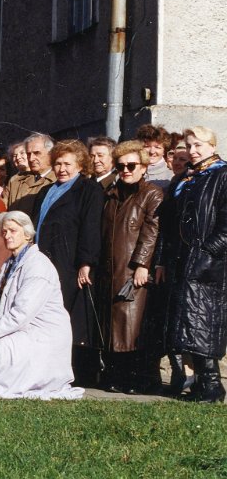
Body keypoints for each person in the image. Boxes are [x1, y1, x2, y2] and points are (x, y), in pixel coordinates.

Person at [0, 211, 84, 399]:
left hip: (41, 335)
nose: (7, 235)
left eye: (13, 231)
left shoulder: (38, 265)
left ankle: (16, 381)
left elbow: (20, 315)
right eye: (4, 231)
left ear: (27, 234)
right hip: (22, 330)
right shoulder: (10, 263)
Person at [162, 126, 227, 402]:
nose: (193, 151)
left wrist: (208, 252)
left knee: (205, 323)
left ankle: (213, 386)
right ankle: (201, 383)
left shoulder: (221, 175)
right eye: (189, 145)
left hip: (209, 264)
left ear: (212, 146)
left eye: (199, 145)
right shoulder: (188, 178)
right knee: (190, 323)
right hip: (185, 260)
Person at [33, 139, 104, 385]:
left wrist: (86, 262)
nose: (62, 168)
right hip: (44, 262)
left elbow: (91, 227)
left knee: (69, 319)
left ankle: (75, 374)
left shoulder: (88, 189)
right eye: (58, 163)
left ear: (80, 165)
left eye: (67, 163)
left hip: (70, 264)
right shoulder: (46, 191)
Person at [98, 140, 163, 395]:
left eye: (131, 165)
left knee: (132, 324)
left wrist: (142, 264)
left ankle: (137, 379)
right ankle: (115, 375)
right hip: (111, 268)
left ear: (144, 167)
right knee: (114, 324)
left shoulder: (151, 193)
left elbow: (151, 231)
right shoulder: (111, 194)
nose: (126, 170)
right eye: (121, 165)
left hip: (132, 269)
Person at [2, 133, 56, 215]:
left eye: (37, 153)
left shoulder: (58, 181)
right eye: (28, 154)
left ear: (50, 154)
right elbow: (0, 209)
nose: (31, 159)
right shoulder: (15, 181)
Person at [136, 124, 174, 191]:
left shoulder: (171, 177)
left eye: (157, 147)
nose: (152, 151)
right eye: (147, 146)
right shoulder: (128, 171)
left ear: (164, 151)